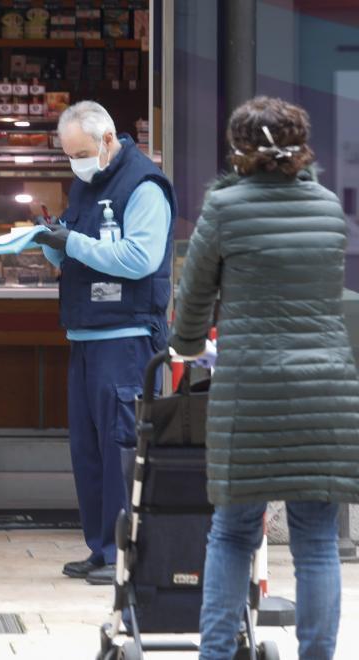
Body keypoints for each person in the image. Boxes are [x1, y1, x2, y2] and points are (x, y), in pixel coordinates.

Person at [171, 97, 359, 660]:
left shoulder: (225, 209)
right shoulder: (328, 209)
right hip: (324, 390)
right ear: (302, 146)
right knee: (318, 542)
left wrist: (184, 347)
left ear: (238, 150)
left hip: (250, 390)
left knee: (231, 534)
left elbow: (194, 301)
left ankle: (217, 653)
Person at [32, 101, 176, 586]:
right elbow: (83, 251)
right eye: (70, 154)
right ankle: (100, 547)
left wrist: (69, 242)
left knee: (121, 446)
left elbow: (139, 257)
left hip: (128, 336)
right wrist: (51, 244)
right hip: (86, 333)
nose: (76, 162)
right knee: (88, 449)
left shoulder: (144, 185)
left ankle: (124, 553)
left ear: (109, 140)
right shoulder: (87, 181)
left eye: (82, 152)